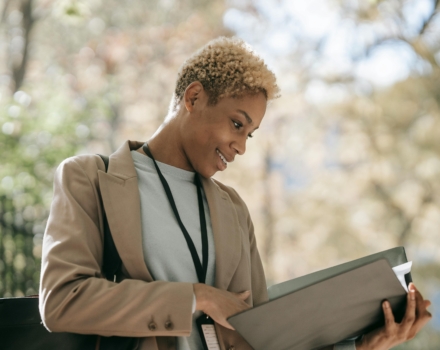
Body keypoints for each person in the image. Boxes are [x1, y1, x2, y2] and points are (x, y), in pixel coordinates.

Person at [39, 37, 432, 350]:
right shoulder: (89, 178)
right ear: (193, 99)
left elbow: (263, 336)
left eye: (249, 134)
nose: (241, 146)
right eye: (236, 124)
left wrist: (362, 346)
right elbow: (62, 301)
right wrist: (199, 297)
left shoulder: (233, 209)